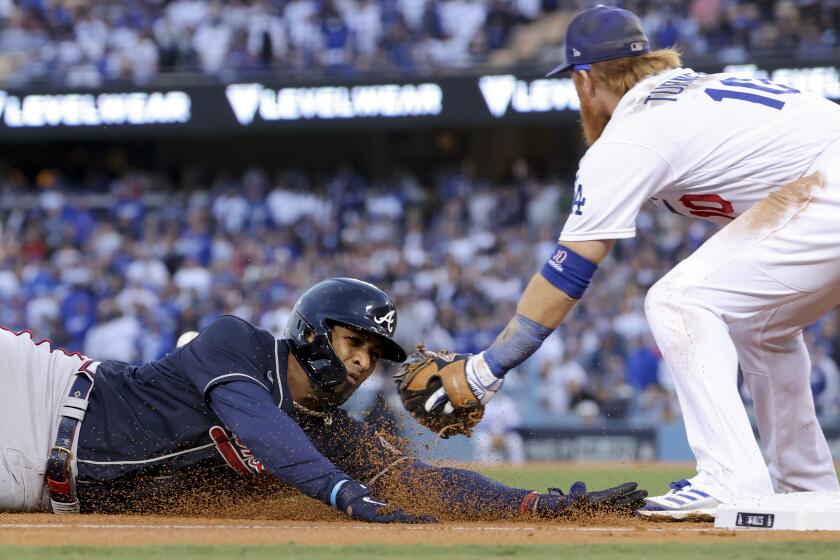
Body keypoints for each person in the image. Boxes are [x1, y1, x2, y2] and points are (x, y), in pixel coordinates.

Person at [420, 5, 840, 520]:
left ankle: (730, 479)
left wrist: (488, 368)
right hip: (823, 181)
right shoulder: (691, 93)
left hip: (827, 187)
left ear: (584, 81)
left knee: (678, 301)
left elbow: (568, 272)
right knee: (760, 327)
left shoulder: (631, 133)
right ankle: (805, 489)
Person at [0, 277, 646, 519]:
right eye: (352, 342)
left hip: (33, 485)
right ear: (312, 332)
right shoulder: (237, 345)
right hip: (40, 394)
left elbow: (425, 484)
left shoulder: (332, 432)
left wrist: (541, 505)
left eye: (375, 353)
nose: (363, 361)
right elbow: (257, 421)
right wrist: (342, 493)